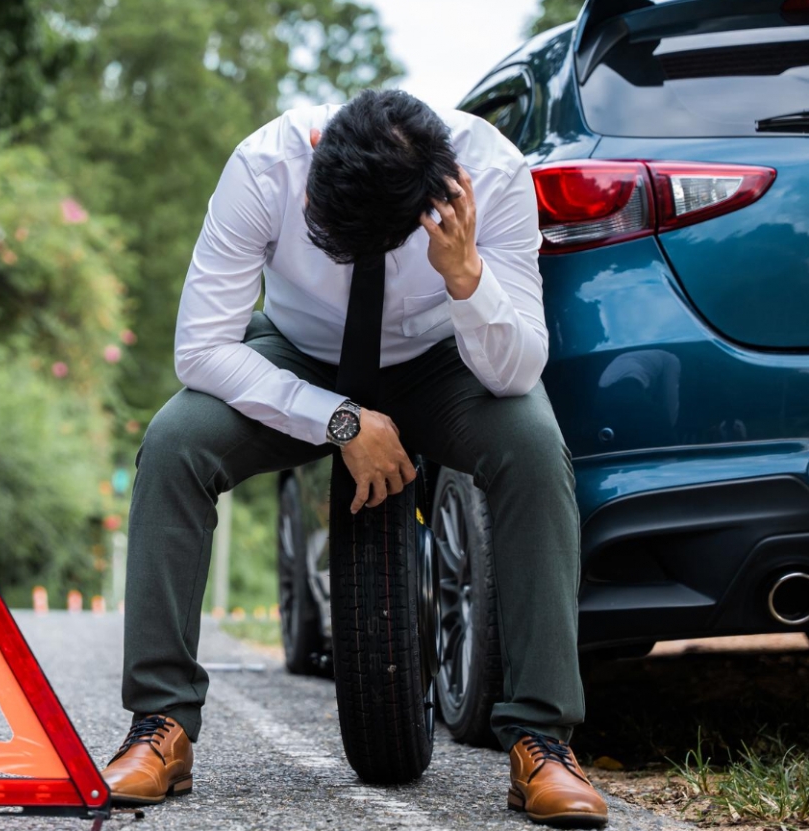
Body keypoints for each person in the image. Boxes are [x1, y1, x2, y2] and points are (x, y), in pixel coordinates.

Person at [99, 89, 608, 828]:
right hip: (303, 358)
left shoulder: (492, 173)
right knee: (175, 443)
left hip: (445, 360)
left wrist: (466, 274)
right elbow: (201, 350)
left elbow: (514, 373)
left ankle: (542, 739)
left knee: (533, 444)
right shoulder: (266, 166)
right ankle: (161, 725)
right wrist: (338, 419)